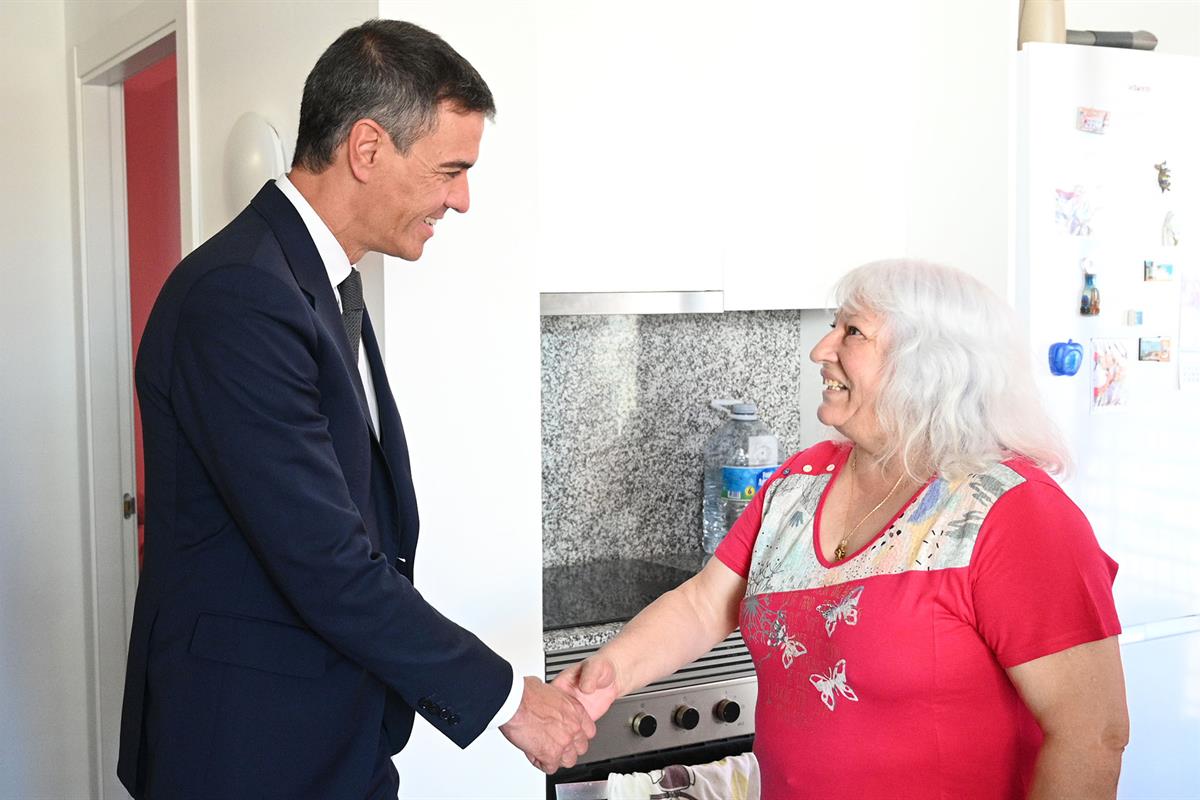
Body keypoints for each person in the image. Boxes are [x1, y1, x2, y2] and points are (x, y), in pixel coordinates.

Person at [118, 19, 592, 800]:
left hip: (332, 733)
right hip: (244, 751)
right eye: (450, 170)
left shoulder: (320, 279)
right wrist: (510, 700)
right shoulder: (239, 295)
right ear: (367, 149)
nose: (463, 200)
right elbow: (324, 560)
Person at [555, 259, 1129, 799]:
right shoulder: (800, 483)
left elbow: (1091, 734)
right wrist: (610, 673)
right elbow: (705, 606)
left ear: (929, 363)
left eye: (852, 331)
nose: (821, 349)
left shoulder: (1014, 513)